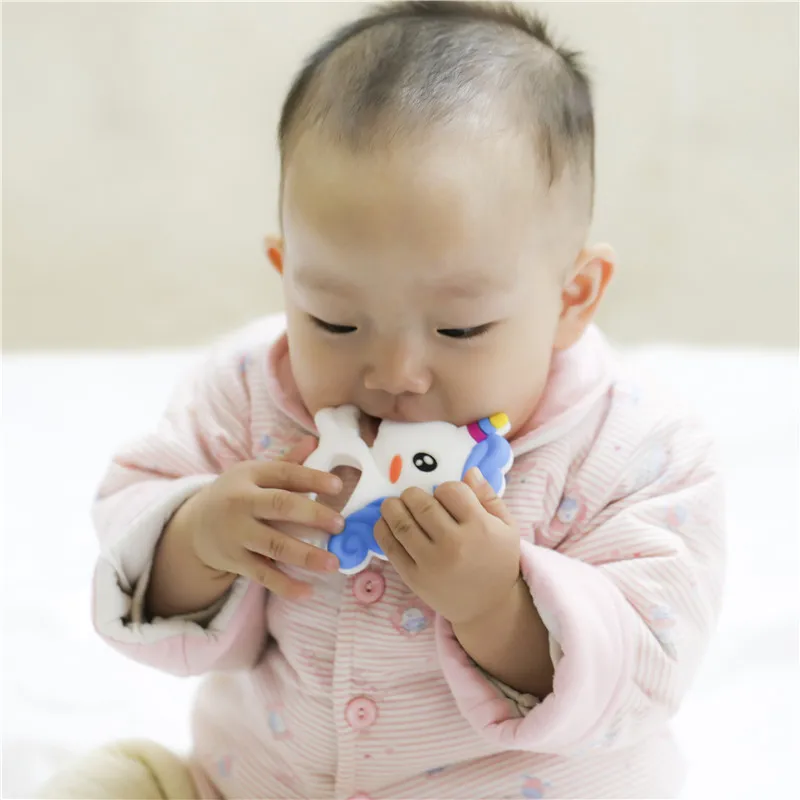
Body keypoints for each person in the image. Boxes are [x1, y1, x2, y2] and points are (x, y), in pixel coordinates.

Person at [38, 3, 725, 798]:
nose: (396, 373)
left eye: (460, 328)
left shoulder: (638, 448)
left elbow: (645, 668)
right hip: (256, 783)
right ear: (287, 273)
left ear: (573, 296)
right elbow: (135, 541)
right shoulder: (247, 392)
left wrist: (498, 606)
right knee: (113, 784)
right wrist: (200, 536)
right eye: (335, 321)